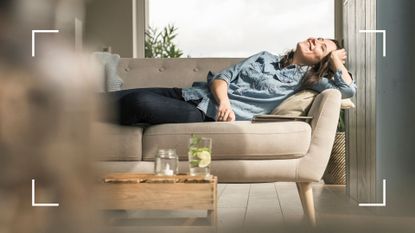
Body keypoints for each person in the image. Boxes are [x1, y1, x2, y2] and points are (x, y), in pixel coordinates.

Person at [104, 37, 356, 125]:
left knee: (139, 101)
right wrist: (225, 101)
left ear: (319, 62)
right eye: (318, 37)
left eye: (321, 46)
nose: (314, 39)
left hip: (203, 114)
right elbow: (223, 77)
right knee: (118, 96)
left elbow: (347, 91)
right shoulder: (264, 58)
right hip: (191, 94)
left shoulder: (307, 80)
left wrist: (335, 60)